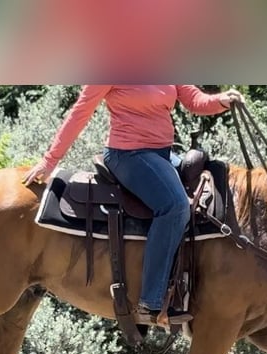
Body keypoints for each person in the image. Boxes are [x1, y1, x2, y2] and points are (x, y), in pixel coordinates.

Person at [23, 85, 244, 325]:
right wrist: (50, 160)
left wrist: (222, 100)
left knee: (204, 177)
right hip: (127, 155)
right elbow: (81, 111)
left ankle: (189, 284)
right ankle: (151, 302)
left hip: (162, 154)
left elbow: (194, 99)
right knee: (175, 207)